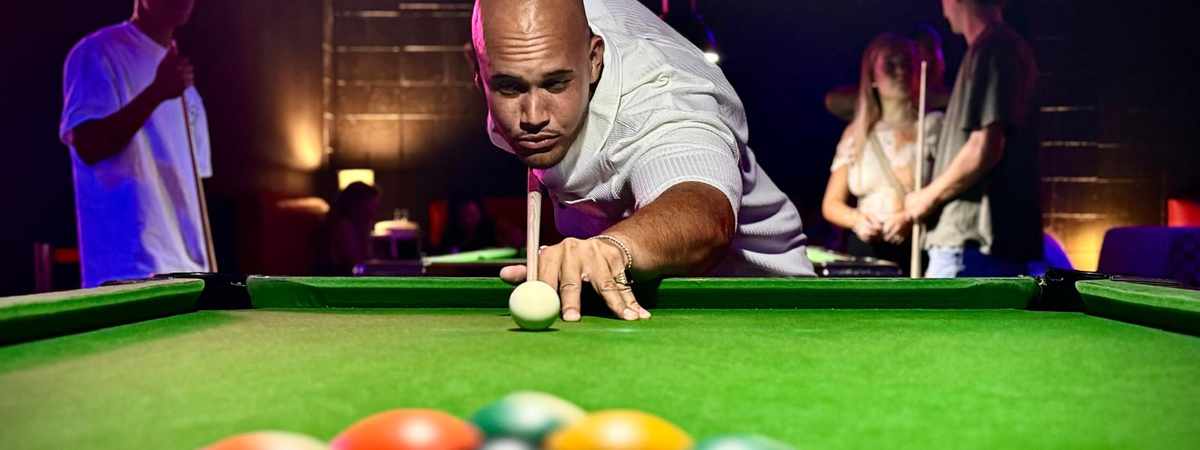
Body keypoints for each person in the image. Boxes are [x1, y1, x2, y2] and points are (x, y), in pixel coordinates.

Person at [471, 0, 814, 322]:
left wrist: (613, 248)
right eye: (509, 87)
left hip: (758, 303)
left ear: (594, 60)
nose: (533, 116)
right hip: (630, 301)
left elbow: (704, 213)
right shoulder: (530, 48)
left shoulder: (661, 100)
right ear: (478, 73)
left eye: (556, 83)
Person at [60, 0, 211, 287]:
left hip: (189, 272)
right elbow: (89, 145)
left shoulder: (181, 77)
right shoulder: (98, 52)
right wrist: (156, 92)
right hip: (128, 272)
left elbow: (190, 185)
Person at [904, 0, 1042, 277]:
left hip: (971, 243)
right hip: (974, 245)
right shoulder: (992, 48)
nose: (942, 9)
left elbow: (985, 147)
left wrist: (926, 198)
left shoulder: (995, 47)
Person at [822, 34, 944, 271]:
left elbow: (949, 189)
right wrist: (857, 220)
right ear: (873, 77)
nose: (900, 71)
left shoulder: (934, 127)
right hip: (867, 252)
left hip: (919, 247)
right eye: (890, 64)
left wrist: (909, 216)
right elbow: (831, 204)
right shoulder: (857, 133)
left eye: (906, 64)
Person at [824, 24, 952, 122]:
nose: (928, 59)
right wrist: (873, 98)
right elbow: (832, 101)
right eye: (916, 54)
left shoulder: (949, 100)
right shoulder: (882, 103)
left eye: (933, 50)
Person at [314, 182, 381, 275]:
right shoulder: (343, 227)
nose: (374, 213)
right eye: (371, 207)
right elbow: (356, 264)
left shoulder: (352, 225)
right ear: (357, 205)